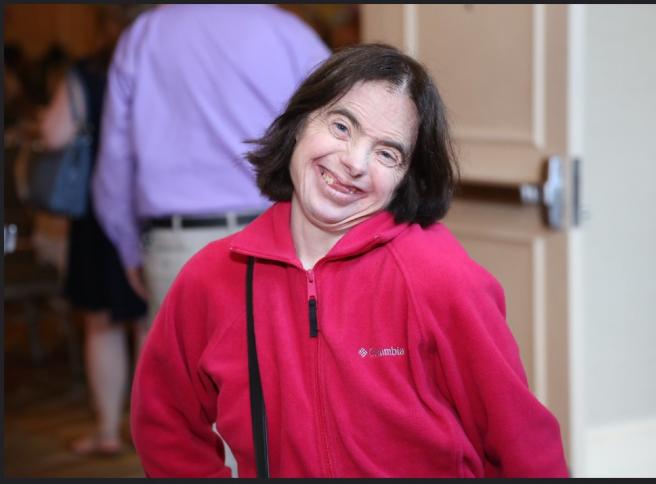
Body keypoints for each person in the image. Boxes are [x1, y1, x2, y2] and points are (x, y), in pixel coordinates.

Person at [130, 43, 570, 477]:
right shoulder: (214, 277)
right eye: (342, 127)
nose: (354, 162)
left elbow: (521, 440)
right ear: (301, 122)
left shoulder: (442, 278)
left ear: (404, 179)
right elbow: (165, 422)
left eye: (386, 153)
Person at [92, 4, 330, 323]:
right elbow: (336, 138)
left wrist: (127, 245)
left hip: (175, 245)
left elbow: (115, 159)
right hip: (278, 235)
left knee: (180, 371)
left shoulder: (144, 35)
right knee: (277, 368)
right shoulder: (292, 34)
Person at [37, 5, 151, 456]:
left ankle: (107, 431)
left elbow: (52, 134)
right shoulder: (159, 68)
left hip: (97, 212)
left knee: (100, 325)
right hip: (149, 205)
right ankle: (148, 434)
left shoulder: (86, 73)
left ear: (105, 25)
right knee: (149, 325)